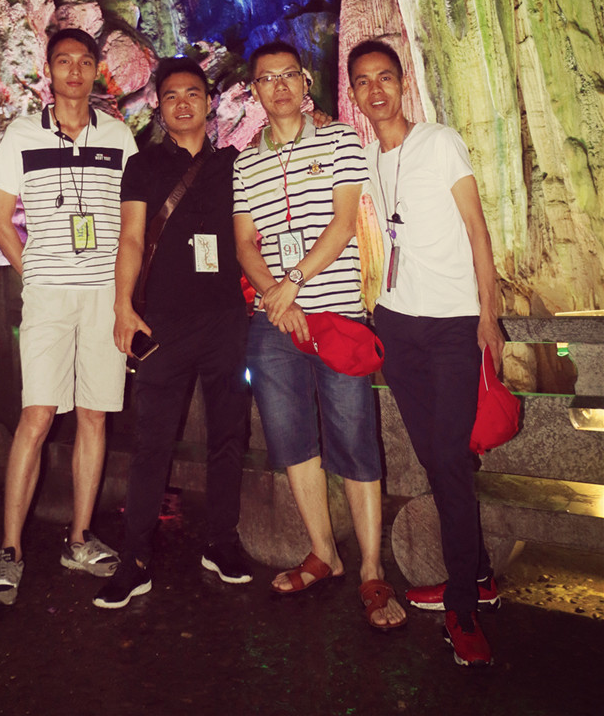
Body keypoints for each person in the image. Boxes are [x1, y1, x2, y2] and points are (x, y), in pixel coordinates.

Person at [233, 39, 405, 630]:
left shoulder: (339, 141)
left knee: (355, 438)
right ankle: (324, 554)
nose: (278, 86)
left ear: (305, 83)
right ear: (254, 91)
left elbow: (343, 221)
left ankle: (371, 568)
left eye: (289, 75)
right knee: (291, 440)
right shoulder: (243, 163)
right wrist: (275, 298)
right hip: (275, 322)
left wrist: (293, 284)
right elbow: (245, 243)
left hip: (335, 315)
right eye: (266, 78)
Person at [347, 38, 504, 667]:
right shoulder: (367, 157)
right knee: (437, 460)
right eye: (364, 81)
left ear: (402, 83)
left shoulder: (440, 142)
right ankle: (480, 574)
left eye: (385, 77)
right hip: (397, 325)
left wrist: (488, 315)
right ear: (355, 94)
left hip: (452, 325)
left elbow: (476, 227)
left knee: (449, 460)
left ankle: (463, 607)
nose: (376, 90)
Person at [0, 28, 137, 605]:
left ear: (97, 71)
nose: (74, 70)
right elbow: (0, 218)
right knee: (37, 416)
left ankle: (79, 538)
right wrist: (36, 274)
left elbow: (134, 218)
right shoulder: (22, 134)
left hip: (104, 295)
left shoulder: (118, 135)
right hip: (48, 295)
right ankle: (9, 549)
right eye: (63, 61)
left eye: (84, 61)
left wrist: (126, 294)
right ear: (48, 70)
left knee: (95, 415)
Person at [94, 58, 252, 609]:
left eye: (192, 93)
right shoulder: (143, 166)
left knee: (228, 436)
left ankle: (222, 542)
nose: (183, 103)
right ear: (159, 108)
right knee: (151, 442)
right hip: (163, 323)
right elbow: (131, 239)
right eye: (171, 96)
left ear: (209, 102)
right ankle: (134, 557)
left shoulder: (235, 164)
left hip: (225, 320)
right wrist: (122, 306)